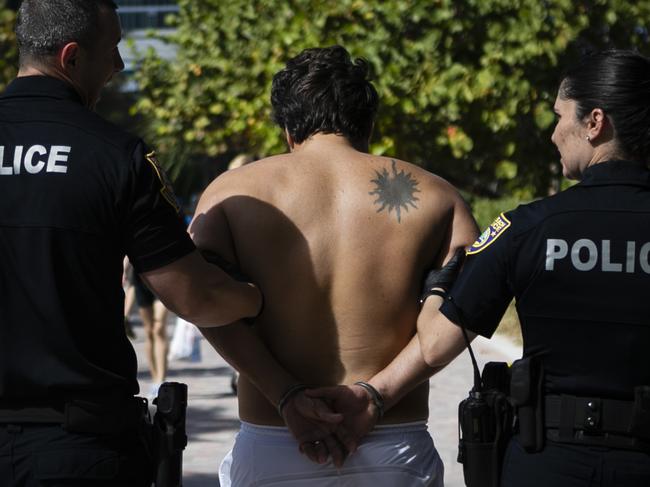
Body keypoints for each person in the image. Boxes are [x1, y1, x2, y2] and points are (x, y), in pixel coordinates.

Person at [314, 49, 650, 487]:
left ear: (594, 122)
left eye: (559, 116)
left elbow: (436, 344)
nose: (553, 134)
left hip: (549, 464)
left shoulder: (528, 227)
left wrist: (437, 287)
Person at [189, 45, 477, 487]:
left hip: (274, 437)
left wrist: (286, 397)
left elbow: (200, 301)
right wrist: (375, 399)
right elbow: (463, 314)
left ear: (288, 128)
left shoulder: (231, 194)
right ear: (368, 124)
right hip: (392, 440)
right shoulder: (438, 196)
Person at [0, 1, 262, 486]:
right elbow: (194, 295)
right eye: (112, 50)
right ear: (71, 57)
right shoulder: (115, 157)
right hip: (75, 448)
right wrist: (255, 294)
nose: (118, 66)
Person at [132, 271, 170, 397]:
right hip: (140, 276)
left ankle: (161, 380)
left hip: (163, 275)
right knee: (149, 331)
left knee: (158, 328)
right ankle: (155, 380)